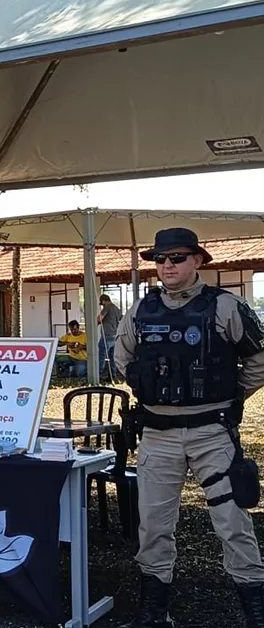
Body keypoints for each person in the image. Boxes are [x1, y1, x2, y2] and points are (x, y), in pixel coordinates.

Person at [115, 228, 264, 627]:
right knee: (153, 527)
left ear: (198, 261)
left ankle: (255, 610)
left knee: (233, 523)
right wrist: (147, 386)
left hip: (211, 432)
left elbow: (258, 359)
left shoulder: (225, 307)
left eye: (178, 257)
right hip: (158, 435)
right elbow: (122, 356)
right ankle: (154, 614)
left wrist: (233, 400)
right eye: (161, 259)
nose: (168, 265)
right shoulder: (141, 310)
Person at [98, 294, 122, 381]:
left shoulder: (107, 307)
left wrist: (98, 321)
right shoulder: (116, 309)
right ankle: (113, 375)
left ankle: (98, 375)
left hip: (107, 336)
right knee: (112, 357)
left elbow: (99, 319)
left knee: (101, 355)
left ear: (104, 301)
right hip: (115, 335)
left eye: (102, 303)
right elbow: (121, 319)